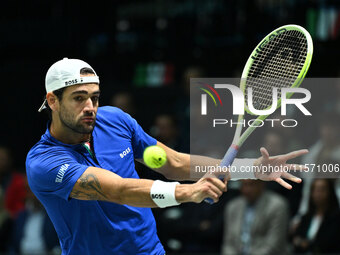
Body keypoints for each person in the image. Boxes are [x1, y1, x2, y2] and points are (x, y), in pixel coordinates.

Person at [26, 58, 308, 255]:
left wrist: (250, 168)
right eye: (78, 97)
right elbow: (120, 190)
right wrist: (187, 193)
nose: (90, 107)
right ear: (53, 101)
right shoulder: (44, 163)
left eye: (95, 97)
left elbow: (173, 163)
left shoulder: (115, 121)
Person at [222, 180, 290, 255]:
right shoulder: (233, 207)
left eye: (251, 185)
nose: (246, 189)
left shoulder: (277, 205)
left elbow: (274, 245)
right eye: (244, 185)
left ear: (261, 184)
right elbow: (228, 244)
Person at [291, 179, 340, 254]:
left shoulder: (336, 218)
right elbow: (296, 238)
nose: (318, 194)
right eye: (315, 190)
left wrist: (308, 244)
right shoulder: (306, 217)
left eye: (322, 190)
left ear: (330, 192)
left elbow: (328, 242)